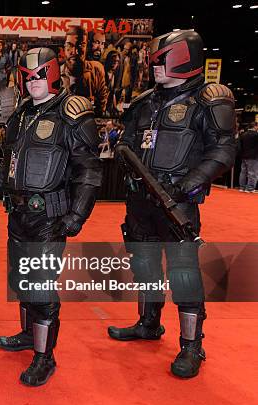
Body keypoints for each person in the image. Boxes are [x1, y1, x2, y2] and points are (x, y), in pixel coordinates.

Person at [107, 30, 236, 379]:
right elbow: (127, 141)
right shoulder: (145, 102)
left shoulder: (208, 99)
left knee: (184, 274)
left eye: (159, 58)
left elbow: (223, 150)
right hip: (140, 201)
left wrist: (185, 186)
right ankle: (148, 323)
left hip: (176, 203)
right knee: (145, 266)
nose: (152, 65)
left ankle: (192, 345)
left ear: (182, 57)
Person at [0, 48, 102, 386]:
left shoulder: (72, 113)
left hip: (49, 217)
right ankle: (26, 334)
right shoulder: (21, 114)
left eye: (39, 75)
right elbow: (7, 162)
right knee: (21, 281)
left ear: (52, 74)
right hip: (18, 213)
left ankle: (44, 357)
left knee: (41, 288)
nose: (33, 81)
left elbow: (89, 172)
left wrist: (77, 215)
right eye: (27, 76)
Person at [60, 26, 109, 116]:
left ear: (86, 47)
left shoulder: (97, 70)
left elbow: (101, 105)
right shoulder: (55, 74)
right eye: (70, 45)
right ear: (64, 47)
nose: (75, 52)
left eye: (81, 45)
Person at [239, 122, 258, 193]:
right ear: (255, 126)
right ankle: (250, 188)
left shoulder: (243, 134)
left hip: (244, 156)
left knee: (243, 172)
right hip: (253, 156)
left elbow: (240, 146)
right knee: (252, 173)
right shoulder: (256, 135)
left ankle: (242, 187)